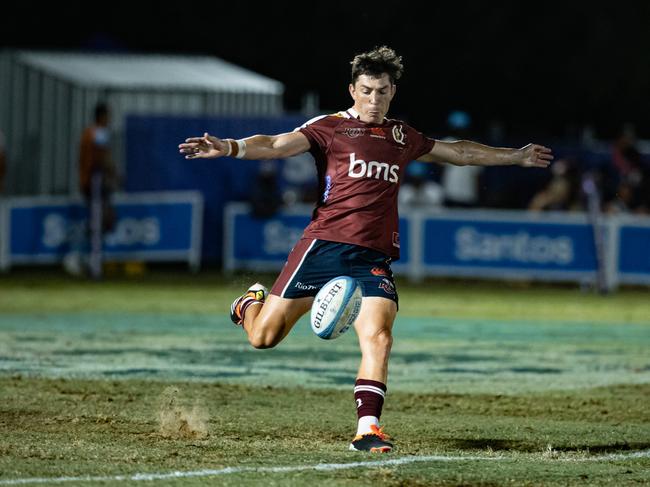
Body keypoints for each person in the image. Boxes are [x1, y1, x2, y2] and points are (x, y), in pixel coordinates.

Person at [179, 46, 553, 453]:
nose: (374, 100)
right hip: (322, 248)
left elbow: (458, 152)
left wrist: (515, 156)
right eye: (367, 90)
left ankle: (368, 428)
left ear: (393, 92)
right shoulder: (329, 128)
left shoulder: (400, 136)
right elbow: (274, 144)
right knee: (263, 338)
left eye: (383, 92)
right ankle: (248, 303)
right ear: (352, 90)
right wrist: (230, 147)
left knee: (379, 336)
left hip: (372, 257)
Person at [64, 103, 118, 278]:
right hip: (95, 181)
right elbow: (101, 157)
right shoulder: (99, 132)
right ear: (102, 116)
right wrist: (113, 175)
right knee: (98, 221)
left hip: (91, 180)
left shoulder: (88, 132)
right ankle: (90, 263)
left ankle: (90, 261)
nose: (110, 119)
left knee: (99, 221)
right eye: (108, 115)